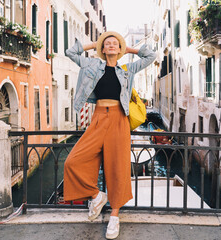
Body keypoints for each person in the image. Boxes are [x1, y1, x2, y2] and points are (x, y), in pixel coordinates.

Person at [63, 31, 156, 239]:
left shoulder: (127, 69)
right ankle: (97, 196)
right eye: (108, 44)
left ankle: (115, 216)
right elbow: (70, 52)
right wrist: (95, 44)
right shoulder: (92, 66)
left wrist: (127, 48)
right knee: (72, 161)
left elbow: (151, 56)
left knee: (118, 167)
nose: (112, 46)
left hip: (118, 119)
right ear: (103, 49)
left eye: (115, 44)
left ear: (119, 49)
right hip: (97, 118)